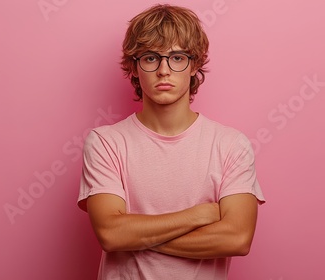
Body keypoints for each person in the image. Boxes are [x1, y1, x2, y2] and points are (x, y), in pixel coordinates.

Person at [77, 3, 265, 280]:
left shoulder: (230, 144)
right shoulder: (106, 143)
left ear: (195, 65)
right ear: (134, 66)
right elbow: (112, 234)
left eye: (177, 57)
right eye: (151, 58)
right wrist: (199, 216)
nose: (164, 70)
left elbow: (236, 238)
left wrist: (137, 236)